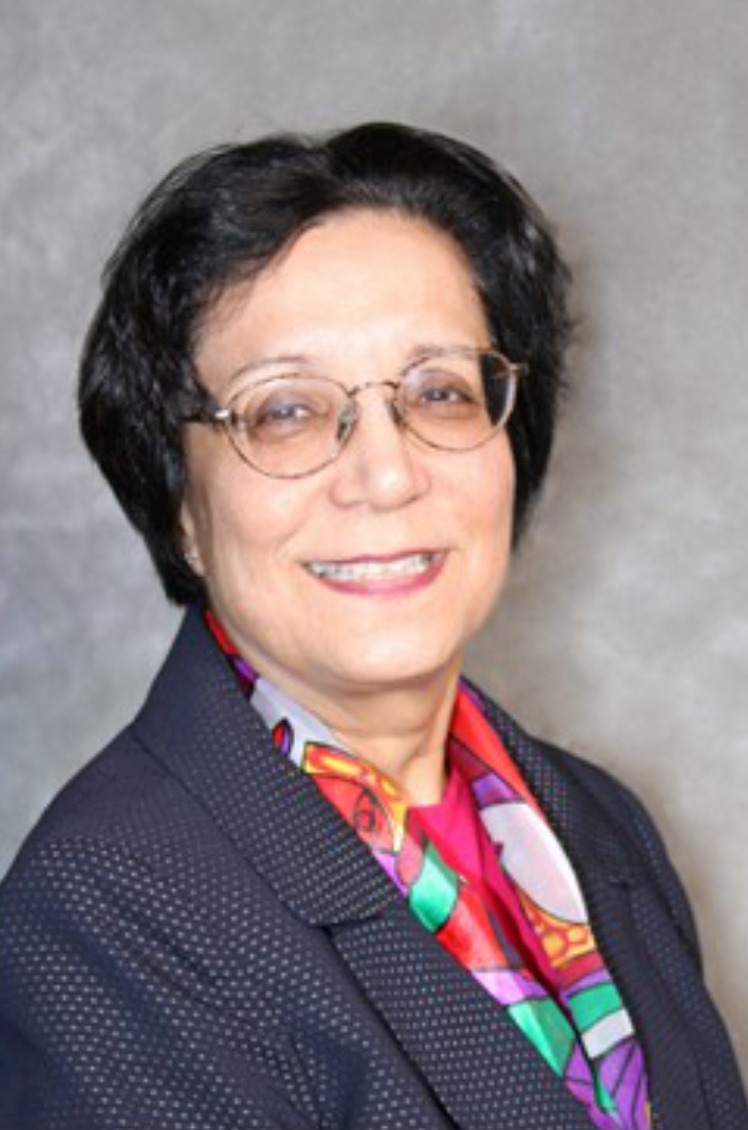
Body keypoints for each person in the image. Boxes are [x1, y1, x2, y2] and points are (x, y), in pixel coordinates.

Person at [0, 122, 744, 1130]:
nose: (387, 474)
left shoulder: (600, 822)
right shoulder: (102, 916)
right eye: (286, 411)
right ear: (180, 504)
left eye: (438, 392)